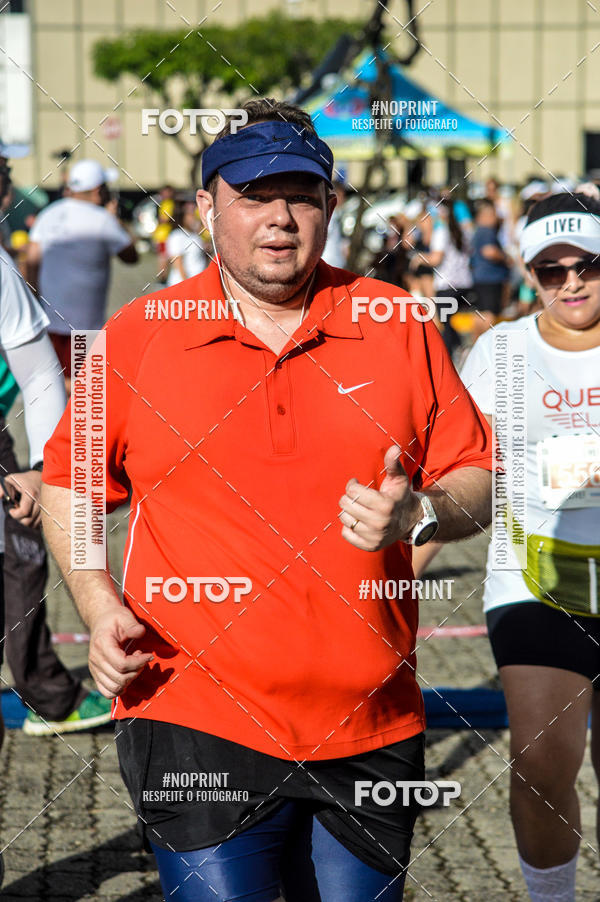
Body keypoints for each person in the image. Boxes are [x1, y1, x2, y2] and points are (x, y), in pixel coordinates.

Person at [41, 98, 495, 902]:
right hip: (193, 714)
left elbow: (476, 478)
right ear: (205, 207)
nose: (280, 218)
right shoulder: (142, 333)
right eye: (253, 195)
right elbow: (70, 481)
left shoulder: (396, 321)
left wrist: (417, 513)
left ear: (331, 205)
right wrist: (97, 597)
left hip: (370, 720)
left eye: (302, 195)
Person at [415, 191, 600, 902]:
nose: (572, 282)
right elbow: (465, 480)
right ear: (528, 273)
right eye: (552, 270)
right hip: (535, 578)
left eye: (588, 264)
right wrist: (394, 578)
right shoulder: (501, 350)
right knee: (542, 764)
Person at [0, 146, 113, 737]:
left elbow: (36, 263)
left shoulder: (38, 230)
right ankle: (50, 692)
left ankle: (49, 690)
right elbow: (131, 251)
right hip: (81, 337)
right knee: (24, 556)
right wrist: (53, 469)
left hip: (57, 335)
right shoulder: (102, 220)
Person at [25, 159, 138, 391]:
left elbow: (32, 262)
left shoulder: (48, 214)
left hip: (49, 324)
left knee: (52, 394)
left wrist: (34, 305)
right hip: (87, 330)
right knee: (87, 405)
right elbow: (131, 256)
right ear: (98, 190)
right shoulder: (104, 220)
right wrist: (116, 218)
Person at [417, 198, 473, 357]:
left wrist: (419, 258)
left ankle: (454, 355)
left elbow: (436, 258)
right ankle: (462, 349)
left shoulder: (441, 231)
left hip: (447, 286)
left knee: (445, 326)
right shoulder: (461, 230)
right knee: (449, 323)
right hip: (464, 283)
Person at [470, 198, 511, 335]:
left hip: (481, 277)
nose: (496, 218)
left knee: (481, 313)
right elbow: (489, 251)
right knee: (489, 314)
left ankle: (476, 343)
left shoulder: (478, 231)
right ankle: (485, 342)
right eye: (493, 214)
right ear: (485, 216)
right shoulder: (487, 231)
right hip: (490, 278)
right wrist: (505, 257)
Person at [165, 199, 208, 286]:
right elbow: (178, 263)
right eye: (190, 215)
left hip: (198, 282)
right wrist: (187, 285)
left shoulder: (194, 235)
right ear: (182, 217)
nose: (194, 218)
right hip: (182, 284)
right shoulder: (177, 236)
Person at [321, 179, 348, 268]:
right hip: (330, 263)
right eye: (342, 195)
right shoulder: (331, 216)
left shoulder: (337, 216)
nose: (344, 199)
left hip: (335, 264)